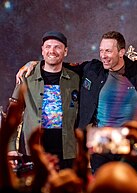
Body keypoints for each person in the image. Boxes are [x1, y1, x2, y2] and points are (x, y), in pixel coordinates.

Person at [15, 31, 137, 174]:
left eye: (108, 51)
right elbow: (57, 63)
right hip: (100, 142)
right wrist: (31, 63)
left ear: (121, 52)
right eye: (102, 50)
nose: (103, 55)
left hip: (131, 142)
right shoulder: (92, 69)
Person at [8, 31, 80, 170]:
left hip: (66, 152)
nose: (52, 51)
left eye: (57, 47)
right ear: (42, 50)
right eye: (48, 47)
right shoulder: (26, 77)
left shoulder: (75, 78)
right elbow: (12, 115)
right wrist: (11, 147)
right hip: (35, 150)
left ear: (65, 51)